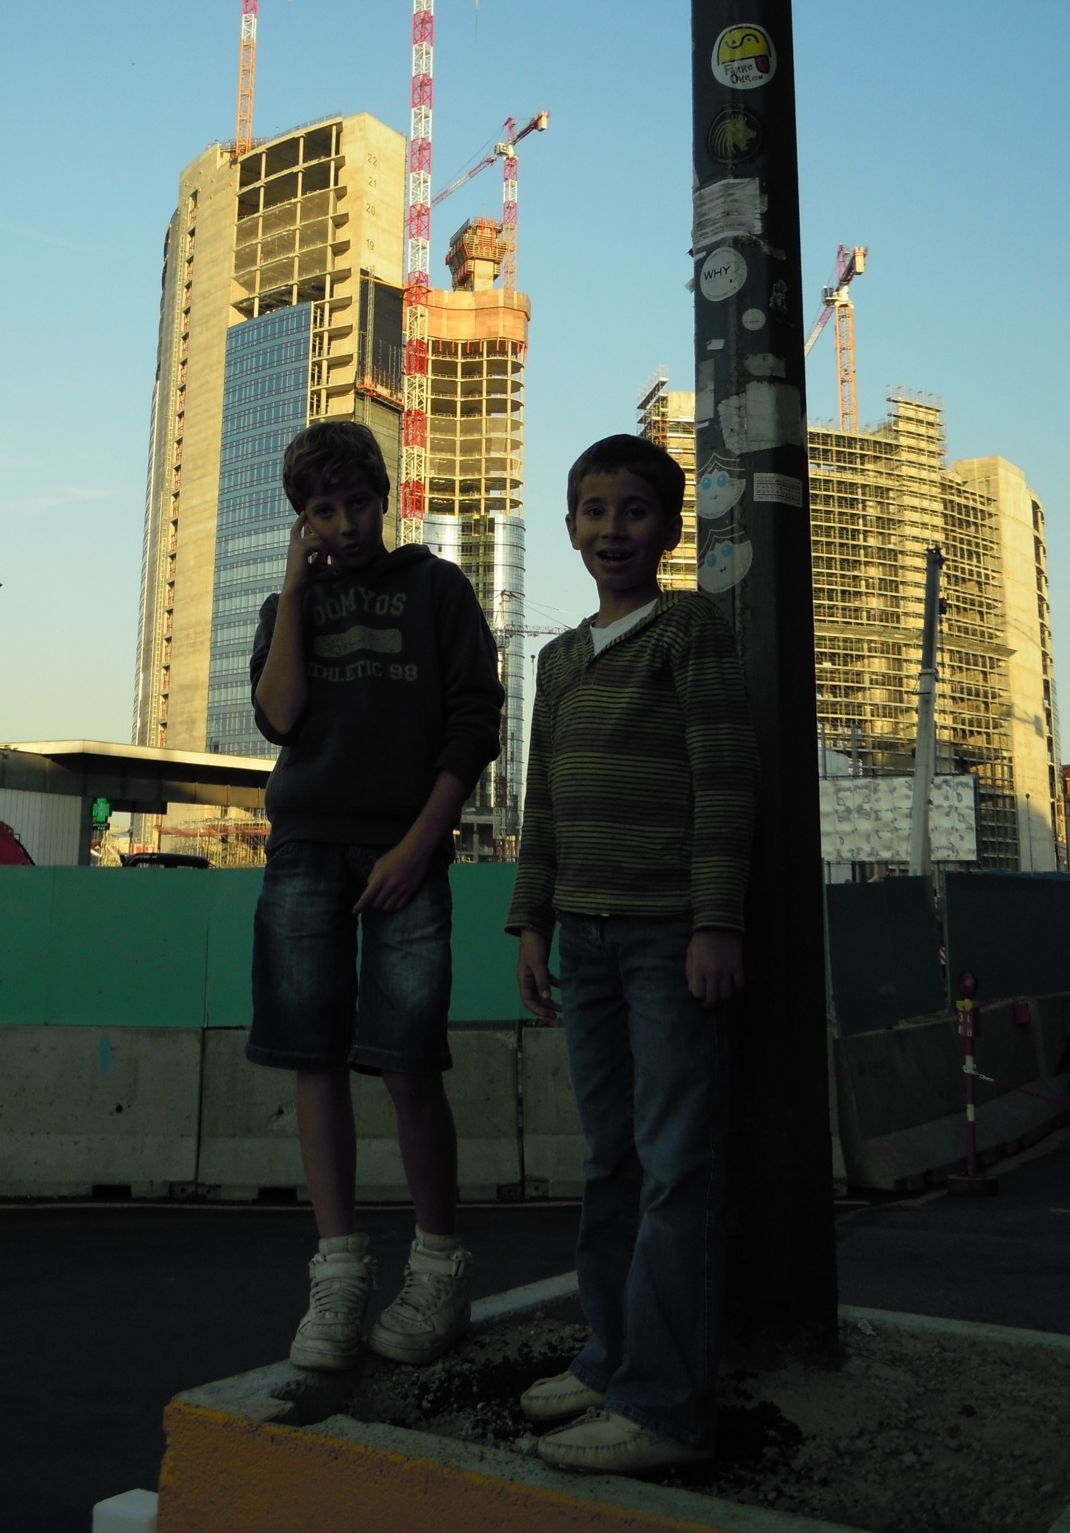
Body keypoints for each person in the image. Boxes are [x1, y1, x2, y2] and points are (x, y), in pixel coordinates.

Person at [506, 432, 757, 1474]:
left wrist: (716, 923)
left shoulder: (688, 629)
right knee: (609, 1159)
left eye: (636, 511)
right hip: (587, 941)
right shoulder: (559, 660)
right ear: (571, 527)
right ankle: (610, 1359)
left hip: (666, 940)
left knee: (672, 1166)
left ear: (668, 528)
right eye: (595, 511)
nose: (614, 529)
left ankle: (665, 1406)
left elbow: (726, 781)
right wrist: (531, 922)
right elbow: (544, 805)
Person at [248, 419, 504, 1372]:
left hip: (408, 850)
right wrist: (293, 586)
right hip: (304, 849)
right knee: (313, 1059)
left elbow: (474, 723)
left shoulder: (437, 588)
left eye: (358, 502)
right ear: (302, 520)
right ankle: (340, 1273)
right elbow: (279, 716)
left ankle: (437, 1265)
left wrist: (417, 846)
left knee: (407, 1063)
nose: (346, 523)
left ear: (385, 496)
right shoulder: (292, 602)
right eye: (323, 510)